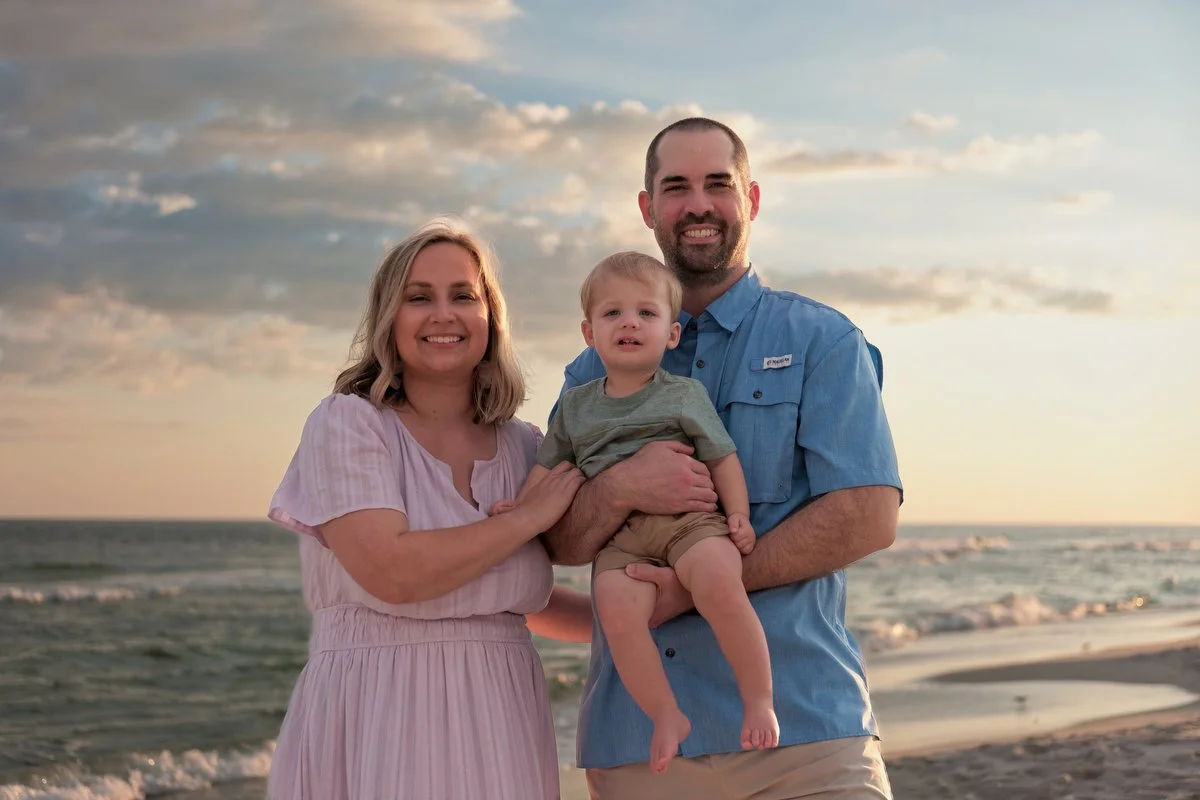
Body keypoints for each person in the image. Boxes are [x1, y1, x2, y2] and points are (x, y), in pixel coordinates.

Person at [543, 118, 903, 799]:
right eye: (676, 187)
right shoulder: (591, 370)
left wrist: (703, 585)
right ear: (648, 208)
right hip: (642, 750)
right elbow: (558, 540)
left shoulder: (822, 339)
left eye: (718, 184)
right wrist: (618, 486)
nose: (698, 204)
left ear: (752, 200)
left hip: (805, 731)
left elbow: (867, 514)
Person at [265, 220, 591, 800]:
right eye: (419, 298)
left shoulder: (524, 446)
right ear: (389, 319)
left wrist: (656, 615)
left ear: (490, 317)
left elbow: (514, 599)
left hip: (504, 722)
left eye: (463, 296)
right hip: (378, 716)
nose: (444, 314)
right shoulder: (347, 424)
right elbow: (393, 572)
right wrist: (522, 520)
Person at [494, 251, 777, 774]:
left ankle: (759, 697)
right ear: (589, 332)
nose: (629, 323)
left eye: (646, 314)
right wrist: (522, 508)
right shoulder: (577, 406)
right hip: (619, 541)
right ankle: (666, 714)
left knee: (719, 580)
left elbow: (723, 456)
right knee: (615, 610)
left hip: (690, 523)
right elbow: (550, 469)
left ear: (671, 335)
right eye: (613, 314)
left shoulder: (684, 395)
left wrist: (737, 515)